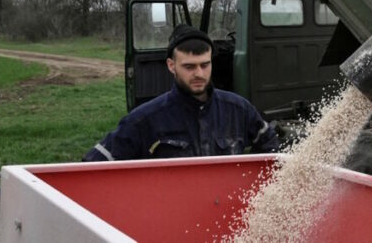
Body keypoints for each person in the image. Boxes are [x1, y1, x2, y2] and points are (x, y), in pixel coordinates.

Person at [83, 25, 278, 161]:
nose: (199, 74)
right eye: (189, 67)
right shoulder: (144, 120)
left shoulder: (238, 109)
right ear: (171, 65)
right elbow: (94, 166)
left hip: (226, 213)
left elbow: (270, 145)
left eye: (205, 64)